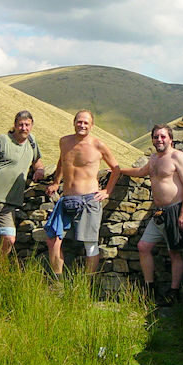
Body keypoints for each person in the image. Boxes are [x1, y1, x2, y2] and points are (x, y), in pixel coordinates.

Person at [121, 123, 183, 303]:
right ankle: (149, 288)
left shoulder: (178, 157)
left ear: (170, 138)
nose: (159, 140)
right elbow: (140, 172)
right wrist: (118, 170)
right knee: (143, 246)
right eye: (156, 137)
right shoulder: (154, 158)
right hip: (160, 213)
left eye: (162, 136)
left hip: (177, 210)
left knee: (174, 252)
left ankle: (173, 292)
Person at [44, 110, 120, 277]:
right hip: (66, 199)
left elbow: (116, 169)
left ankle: (86, 286)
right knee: (52, 239)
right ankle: (57, 281)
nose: (82, 125)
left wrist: (107, 191)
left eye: (86, 123)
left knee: (90, 244)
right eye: (79, 121)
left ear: (91, 126)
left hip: (89, 199)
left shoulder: (98, 145)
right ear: (74, 122)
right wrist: (56, 182)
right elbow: (62, 160)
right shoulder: (64, 142)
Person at [0, 110, 45, 258]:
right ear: (15, 125)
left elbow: (37, 161)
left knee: (9, 238)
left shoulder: (31, 142)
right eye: (20, 125)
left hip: (10, 202)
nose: (24, 128)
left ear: (32, 125)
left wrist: (40, 170)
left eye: (27, 125)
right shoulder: (2, 140)